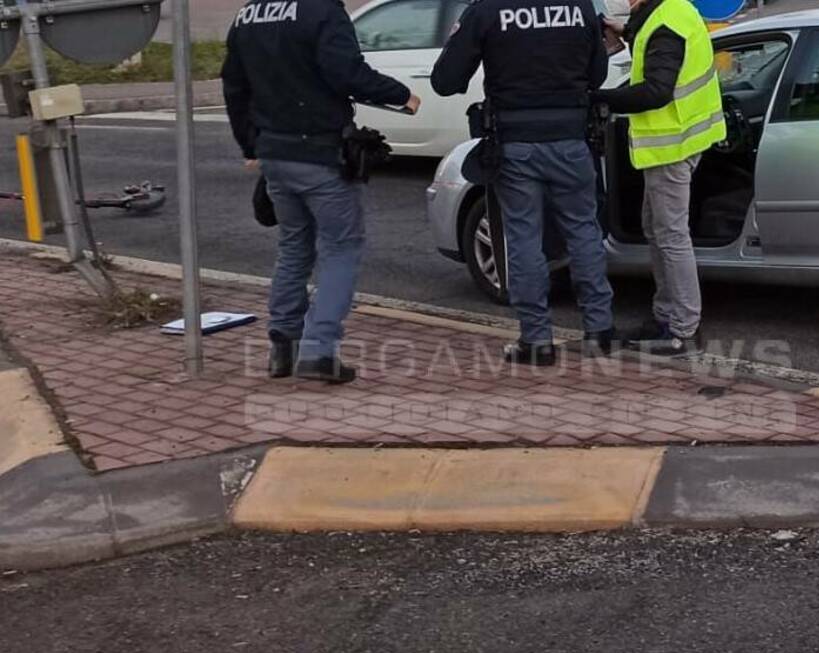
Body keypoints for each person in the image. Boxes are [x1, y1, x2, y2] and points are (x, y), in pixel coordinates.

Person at [222, 0, 420, 383]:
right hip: (320, 152)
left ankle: (283, 346)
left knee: (294, 246)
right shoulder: (321, 10)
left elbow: (235, 86)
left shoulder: (249, 14)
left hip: (275, 152)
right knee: (340, 248)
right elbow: (345, 71)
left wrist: (250, 146)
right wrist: (399, 93)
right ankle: (319, 350)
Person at [431, 0, 617, 366]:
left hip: (515, 144)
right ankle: (599, 330)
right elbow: (596, 76)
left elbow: (445, 81)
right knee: (583, 232)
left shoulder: (487, 10)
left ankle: (536, 339)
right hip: (571, 139)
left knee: (523, 238)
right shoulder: (579, 7)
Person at [594, 0, 725, 356]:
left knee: (670, 235)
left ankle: (680, 328)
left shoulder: (666, 23)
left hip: (673, 147)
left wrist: (600, 99)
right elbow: (659, 51)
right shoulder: (671, 11)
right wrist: (628, 32)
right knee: (656, 228)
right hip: (679, 143)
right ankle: (667, 315)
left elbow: (656, 90)